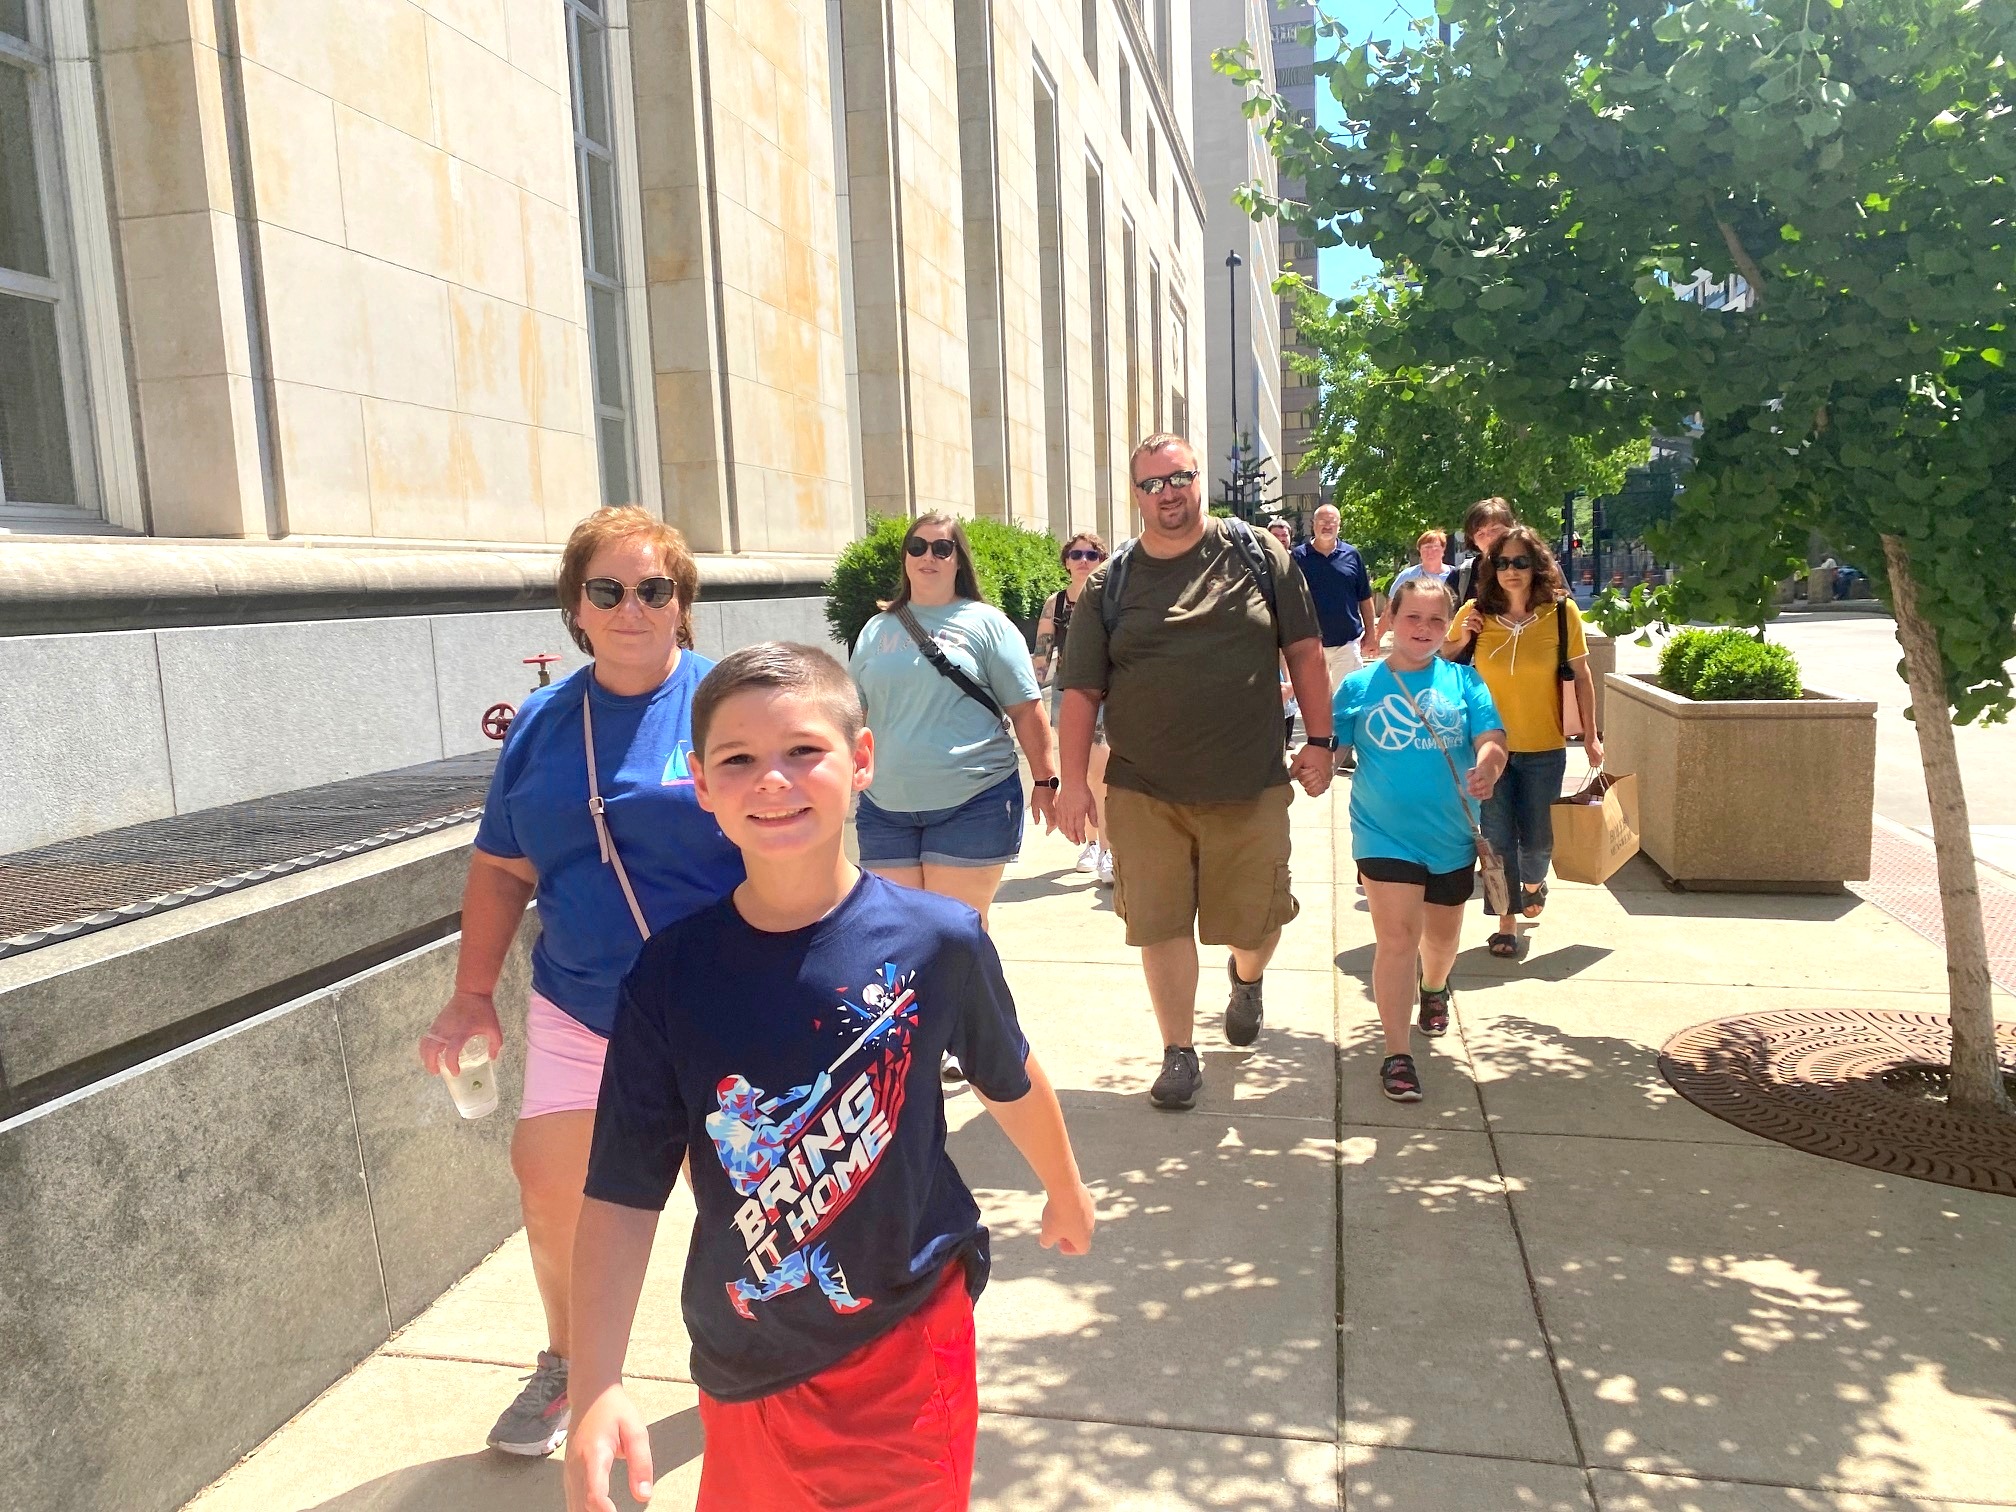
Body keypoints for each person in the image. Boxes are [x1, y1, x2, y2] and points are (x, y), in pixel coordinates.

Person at [563, 643, 1095, 1512]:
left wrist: (1064, 1188)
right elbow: (623, 1190)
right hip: (744, 1358)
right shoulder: (670, 975)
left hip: (905, 1340)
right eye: (738, 760)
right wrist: (596, 1383)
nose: (773, 780)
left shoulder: (940, 940)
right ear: (701, 783)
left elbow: (1007, 1072)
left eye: (803, 750)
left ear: (863, 761)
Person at [418, 506, 746, 1458]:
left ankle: (759, 1355)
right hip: (581, 1004)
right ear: (576, 607)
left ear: (682, 603)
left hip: (718, 1006)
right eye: (608, 589)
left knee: (736, 1194)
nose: (632, 607)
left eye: (656, 589)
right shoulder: (542, 727)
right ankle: (567, 1363)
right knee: (551, 1191)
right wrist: (472, 993)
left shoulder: (726, 704)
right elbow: (502, 867)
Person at [1056, 433, 1335, 1111]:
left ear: (1197, 479)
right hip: (1144, 789)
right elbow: (1079, 693)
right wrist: (1068, 782)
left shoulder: (1256, 554)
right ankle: (1179, 1051)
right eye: (1151, 484)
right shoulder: (1109, 585)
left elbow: (1303, 648)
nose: (1167, 494)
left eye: (1177, 479)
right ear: (1136, 494)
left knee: (1256, 923)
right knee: (1159, 924)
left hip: (1249, 782)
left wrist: (1322, 740)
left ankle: (1246, 979)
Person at [1333, 578, 1507, 1103]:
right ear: (1390, 619)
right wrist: (1314, 767)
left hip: (1451, 835)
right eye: (1413, 618)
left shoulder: (1465, 681)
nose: (1424, 630)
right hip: (1382, 833)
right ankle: (1396, 1054)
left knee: (1442, 939)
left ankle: (1434, 988)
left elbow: (1493, 740)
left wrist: (1488, 769)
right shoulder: (1360, 688)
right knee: (1397, 939)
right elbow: (1333, 749)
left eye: (1436, 621)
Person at [847, 512, 1056, 930]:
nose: (929, 556)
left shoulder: (987, 624)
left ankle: (970, 999)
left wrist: (1045, 782)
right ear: (905, 558)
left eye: (942, 548)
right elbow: (855, 714)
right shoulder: (875, 629)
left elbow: (1026, 709)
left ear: (958, 561)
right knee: (898, 931)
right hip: (885, 807)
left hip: (972, 802)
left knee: (952, 933)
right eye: (918, 547)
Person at [1445, 525, 1602, 958]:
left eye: (1520, 562)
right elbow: (1438, 665)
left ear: (1537, 566)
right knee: (1495, 839)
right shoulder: (1474, 613)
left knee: (1538, 841)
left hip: (1544, 746)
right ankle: (1505, 922)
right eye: (1502, 563)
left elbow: (1583, 677)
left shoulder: (1561, 613)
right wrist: (1461, 639)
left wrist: (1591, 736)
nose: (1511, 571)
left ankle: (1534, 882)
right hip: (1486, 747)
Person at [1035, 532, 1113, 885]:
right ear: (1066, 561)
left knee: (1099, 775)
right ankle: (1092, 844)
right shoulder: (1057, 603)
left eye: (1092, 554)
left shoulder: (1111, 597)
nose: (1084, 560)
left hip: (1107, 694)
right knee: (1077, 774)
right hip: (1068, 696)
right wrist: (1029, 695)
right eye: (1077, 554)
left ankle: (1107, 849)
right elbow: (1043, 653)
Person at [1291, 504, 1377, 770]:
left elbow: (1365, 597)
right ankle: (1317, 752)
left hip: (1346, 643)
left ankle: (1343, 751)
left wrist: (1372, 634)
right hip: (1310, 644)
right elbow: (1288, 599)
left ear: (1339, 525)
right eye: (1322, 522)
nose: (1327, 526)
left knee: (1348, 702)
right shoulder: (1298, 557)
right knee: (1315, 702)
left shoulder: (1352, 555)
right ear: (1313, 524)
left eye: (1332, 522)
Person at [1374, 528, 1452, 645]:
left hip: (1448, 638)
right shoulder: (1408, 575)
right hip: (1417, 636)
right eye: (1426, 548)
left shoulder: (1455, 575)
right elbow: (1390, 608)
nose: (1430, 552)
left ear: (1443, 549)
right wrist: (1376, 639)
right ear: (1419, 551)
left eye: (1434, 547)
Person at [1447, 497, 1516, 608]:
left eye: (1494, 529)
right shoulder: (1461, 577)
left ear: (1512, 529)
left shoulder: (1533, 567)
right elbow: (1446, 620)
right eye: (1480, 534)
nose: (1489, 538)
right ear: (1473, 540)